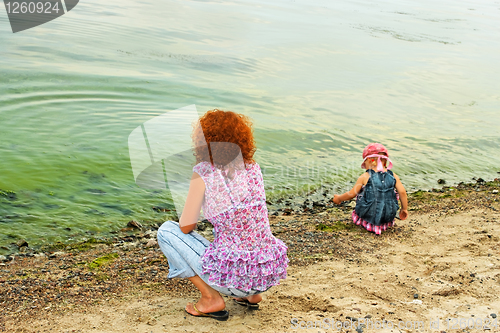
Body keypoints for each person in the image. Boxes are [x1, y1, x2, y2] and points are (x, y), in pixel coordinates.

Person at [157, 109, 288, 321]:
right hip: (265, 276)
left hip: (233, 281)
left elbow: (186, 227)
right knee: (246, 233)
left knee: (166, 231)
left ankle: (211, 298)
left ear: (204, 142)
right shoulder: (253, 168)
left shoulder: (203, 172)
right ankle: (252, 296)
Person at [332, 143, 408, 235]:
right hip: (388, 216)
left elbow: (352, 194)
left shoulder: (365, 176)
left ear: (369, 160)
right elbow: (402, 192)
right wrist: (404, 209)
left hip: (369, 215)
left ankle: (367, 222)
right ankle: (382, 223)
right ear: (385, 161)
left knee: (362, 193)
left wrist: (339, 198)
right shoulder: (393, 175)